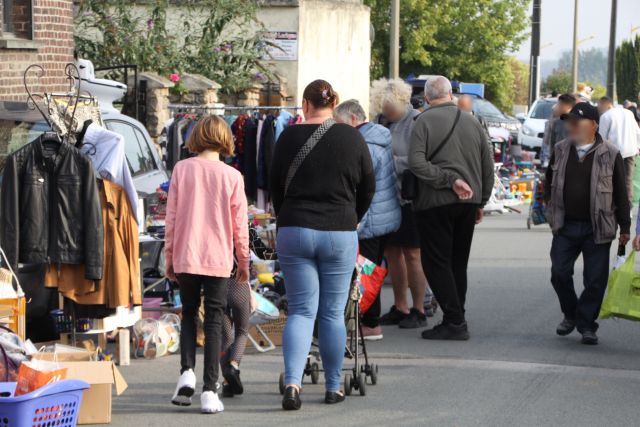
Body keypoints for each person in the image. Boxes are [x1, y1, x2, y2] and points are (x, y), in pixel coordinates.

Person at [270, 80, 375, 410]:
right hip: (338, 230)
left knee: (300, 310)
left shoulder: (287, 137)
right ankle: (332, 386)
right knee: (332, 313)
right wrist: (351, 217)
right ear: (335, 104)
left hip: (295, 228)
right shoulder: (352, 137)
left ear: (305, 105)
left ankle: (292, 383)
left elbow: (274, 186)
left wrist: (287, 214)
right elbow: (368, 187)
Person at [166, 115, 250, 414]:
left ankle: (186, 370)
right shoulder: (232, 176)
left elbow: (171, 218)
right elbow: (240, 225)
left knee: (189, 313)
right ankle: (209, 390)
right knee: (214, 320)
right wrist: (243, 260)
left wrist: (169, 256)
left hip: (186, 254)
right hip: (217, 258)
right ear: (225, 139)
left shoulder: (181, 170)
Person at [409, 76, 494, 341]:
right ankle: (457, 315)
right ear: (451, 94)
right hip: (468, 204)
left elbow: (416, 163)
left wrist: (448, 180)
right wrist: (480, 200)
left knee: (436, 262)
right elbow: (487, 166)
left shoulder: (422, 121)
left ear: (427, 97)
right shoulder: (473, 121)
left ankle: (454, 320)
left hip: (434, 203)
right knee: (458, 262)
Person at [545, 102, 630, 345]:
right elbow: (548, 180)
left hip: (598, 227)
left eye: (576, 122)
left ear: (593, 125)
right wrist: (551, 208)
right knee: (559, 273)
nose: (570, 126)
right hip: (566, 225)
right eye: (568, 122)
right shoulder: (561, 149)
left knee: (595, 280)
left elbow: (621, 195)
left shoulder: (611, 154)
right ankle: (571, 314)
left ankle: (586, 324)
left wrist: (625, 227)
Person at [334, 99, 402, 341]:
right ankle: (368, 320)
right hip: (384, 215)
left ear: (353, 119)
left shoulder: (365, 144)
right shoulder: (379, 137)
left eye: (339, 123)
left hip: (371, 218)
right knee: (373, 266)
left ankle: (371, 323)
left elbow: (360, 184)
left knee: (367, 271)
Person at [371, 78, 433, 329]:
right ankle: (400, 305)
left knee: (413, 254)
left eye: (390, 108)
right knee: (392, 253)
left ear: (403, 102)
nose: (387, 113)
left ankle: (419, 307)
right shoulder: (382, 121)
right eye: (383, 108)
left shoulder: (417, 122)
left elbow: (422, 160)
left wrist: (390, 162)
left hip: (411, 198)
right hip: (388, 198)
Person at [598, 96, 640, 203]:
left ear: (605, 104)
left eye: (599, 105)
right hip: (631, 151)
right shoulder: (628, 113)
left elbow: (601, 139)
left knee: (613, 179)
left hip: (613, 153)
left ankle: (615, 205)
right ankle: (628, 207)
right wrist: (637, 147)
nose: (598, 108)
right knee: (627, 179)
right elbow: (637, 131)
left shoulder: (605, 116)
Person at [220, 276, 253, 398]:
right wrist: (250, 293)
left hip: (218, 287)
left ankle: (227, 383)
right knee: (242, 331)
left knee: (226, 337)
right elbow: (244, 266)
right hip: (238, 285)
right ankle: (233, 366)